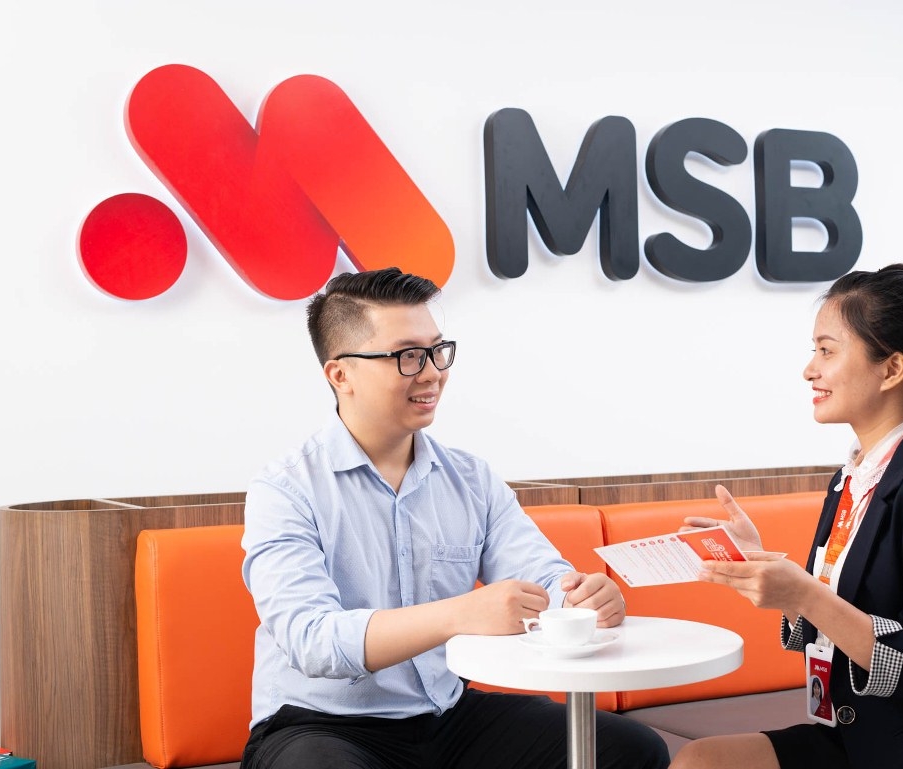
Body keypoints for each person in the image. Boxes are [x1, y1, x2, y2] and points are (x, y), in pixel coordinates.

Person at [239, 268, 670, 769]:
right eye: (407, 356)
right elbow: (311, 639)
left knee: (632, 750)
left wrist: (581, 600)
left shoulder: (471, 479)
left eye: (437, 351)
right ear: (341, 375)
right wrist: (460, 614)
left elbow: (542, 577)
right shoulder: (286, 489)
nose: (431, 374)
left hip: (447, 716)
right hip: (322, 724)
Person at [670, 263, 903, 769]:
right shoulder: (852, 478)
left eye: (827, 350)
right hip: (861, 734)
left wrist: (803, 593)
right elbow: (834, 614)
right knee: (700, 760)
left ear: (892, 369)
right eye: (813, 351)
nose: (809, 370)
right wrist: (761, 561)